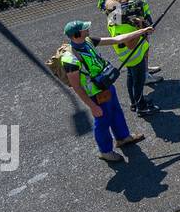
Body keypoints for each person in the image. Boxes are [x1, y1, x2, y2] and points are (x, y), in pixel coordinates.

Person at [60, 19, 149, 163]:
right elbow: (76, 86)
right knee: (102, 121)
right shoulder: (70, 59)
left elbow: (116, 39)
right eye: (84, 29)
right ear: (76, 35)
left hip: (105, 84)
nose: (87, 29)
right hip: (95, 94)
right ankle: (105, 151)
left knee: (116, 111)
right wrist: (92, 106)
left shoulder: (88, 40)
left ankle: (123, 137)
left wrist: (142, 31)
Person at [102, 0, 161, 118]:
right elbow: (131, 43)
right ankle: (141, 106)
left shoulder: (115, 17)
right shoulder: (125, 23)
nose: (132, 9)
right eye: (129, 7)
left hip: (128, 54)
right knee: (138, 80)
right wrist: (141, 26)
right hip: (134, 54)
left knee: (131, 77)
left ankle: (134, 103)